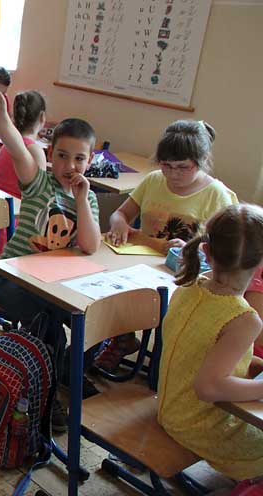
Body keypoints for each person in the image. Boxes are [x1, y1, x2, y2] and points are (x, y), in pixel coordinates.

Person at [0, 78, 100, 431]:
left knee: (90, 318)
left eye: (79, 158)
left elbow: (90, 246)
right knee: (50, 327)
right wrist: (1, 116)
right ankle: (47, 395)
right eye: (62, 156)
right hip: (12, 279)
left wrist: (81, 199)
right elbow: (17, 149)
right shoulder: (38, 182)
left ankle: (63, 370)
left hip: (52, 284)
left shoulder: (87, 197)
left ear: (90, 161)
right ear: (49, 154)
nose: (70, 165)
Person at [99, 120, 238, 371]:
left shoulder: (217, 195)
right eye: (166, 166)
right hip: (140, 267)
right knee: (107, 290)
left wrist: (193, 247)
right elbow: (121, 214)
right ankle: (122, 339)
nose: (173, 174)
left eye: (183, 167)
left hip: (183, 277)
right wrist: (118, 222)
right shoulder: (153, 181)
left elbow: (224, 250)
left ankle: (164, 357)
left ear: (202, 161)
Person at [158, 203, 263, 485]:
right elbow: (208, 388)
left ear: (205, 251)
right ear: (260, 264)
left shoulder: (189, 286)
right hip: (197, 425)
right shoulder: (244, 319)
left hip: (171, 409)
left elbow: (201, 353)